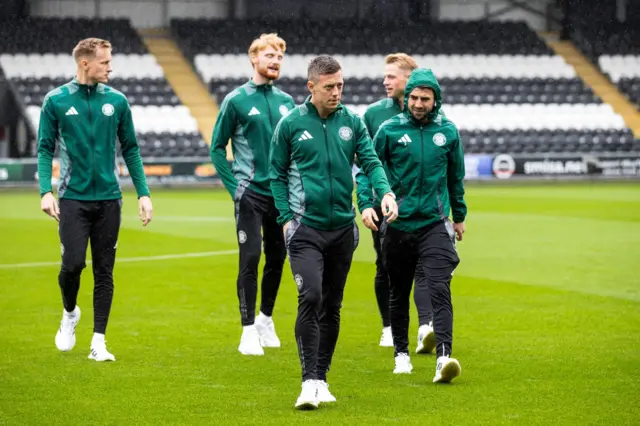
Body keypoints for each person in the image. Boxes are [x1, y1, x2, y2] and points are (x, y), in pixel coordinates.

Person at [269, 55, 398, 409]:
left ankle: (322, 378)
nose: (337, 92)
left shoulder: (352, 122)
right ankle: (308, 381)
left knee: (333, 306)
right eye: (329, 87)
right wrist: (284, 218)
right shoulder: (291, 124)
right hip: (305, 229)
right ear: (311, 87)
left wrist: (385, 191)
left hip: (342, 230)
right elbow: (276, 173)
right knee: (310, 297)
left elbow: (371, 161)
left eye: (340, 85)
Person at [38, 38, 153, 362]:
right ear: (85, 63)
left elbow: (130, 148)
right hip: (72, 198)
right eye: (104, 61)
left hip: (109, 199)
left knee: (105, 271)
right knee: (72, 265)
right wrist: (46, 190)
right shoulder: (56, 101)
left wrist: (143, 193)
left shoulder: (117, 101)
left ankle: (98, 342)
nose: (110, 67)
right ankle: (70, 312)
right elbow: (46, 148)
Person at [361, 68, 466, 383]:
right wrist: (366, 203)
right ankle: (401, 354)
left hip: (434, 224)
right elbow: (368, 169)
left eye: (425, 98)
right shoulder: (389, 131)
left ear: (436, 100)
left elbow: (454, 178)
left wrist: (458, 215)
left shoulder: (448, 132)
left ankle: (444, 358)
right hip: (397, 224)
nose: (419, 104)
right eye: (415, 98)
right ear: (407, 99)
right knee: (399, 291)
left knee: (440, 287)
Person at [211, 33, 295, 356]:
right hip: (250, 194)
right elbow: (217, 148)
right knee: (251, 258)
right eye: (269, 55)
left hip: (280, 195)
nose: (275, 61)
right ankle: (247, 331)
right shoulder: (236, 101)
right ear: (254, 59)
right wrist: (236, 190)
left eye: (279, 57)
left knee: (278, 258)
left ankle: (265, 319)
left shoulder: (288, 102)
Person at [355, 53, 435, 353]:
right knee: (385, 265)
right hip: (382, 203)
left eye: (391, 76)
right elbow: (362, 159)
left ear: (409, 79)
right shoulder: (374, 114)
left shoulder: (431, 112)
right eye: (385, 76)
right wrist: (365, 201)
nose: (385, 81)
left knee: (424, 265)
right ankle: (388, 327)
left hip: (421, 204)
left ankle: (425, 326)